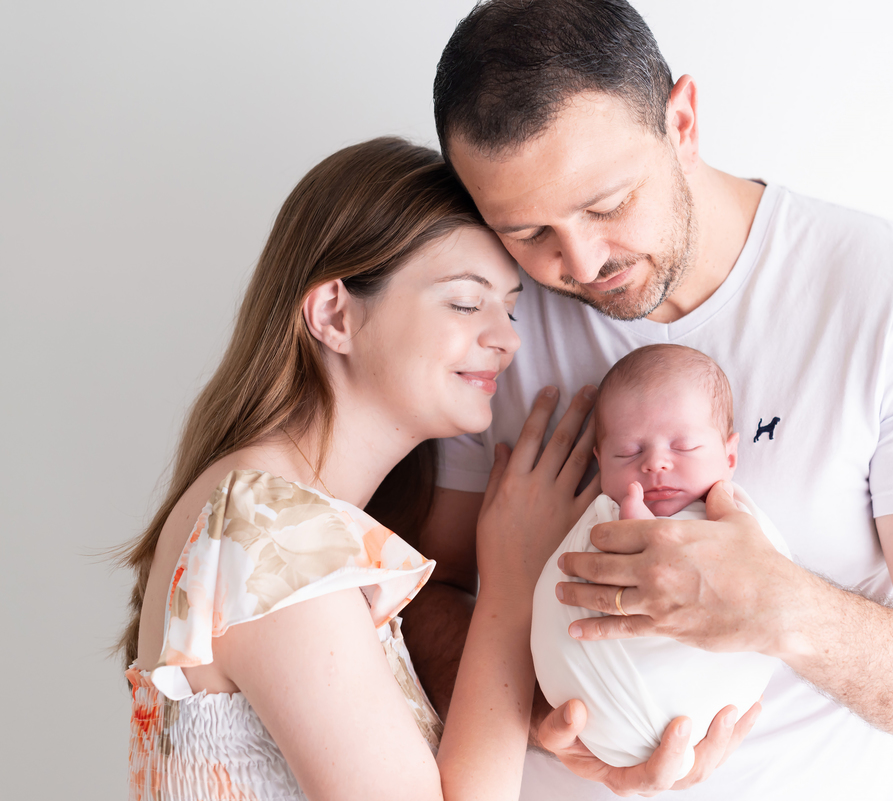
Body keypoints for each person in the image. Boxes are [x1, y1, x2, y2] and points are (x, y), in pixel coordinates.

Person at [384, 1, 893, 799]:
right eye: (527, 233)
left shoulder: (889, 297)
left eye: (607, 205)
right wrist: (531, 715)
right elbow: (416, 598)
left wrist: (785, 608)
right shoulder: (486, 318)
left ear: (683, 122)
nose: (580, 262)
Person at [115, 136, 681, 801]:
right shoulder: (270, 528)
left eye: (510, 307)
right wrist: (511, 583)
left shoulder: (270, 513)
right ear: (334, 314)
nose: (508, 338)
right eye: (466, 302)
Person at [531, 344, 789, 782]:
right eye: (628, 453)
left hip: (711, 705)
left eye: (684, 446)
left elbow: (773, 580)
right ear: (600, 463)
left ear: (729, 457)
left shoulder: (738, 520)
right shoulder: (601, 518)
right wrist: (631, 526)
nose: (655, 463)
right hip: (591, 711)